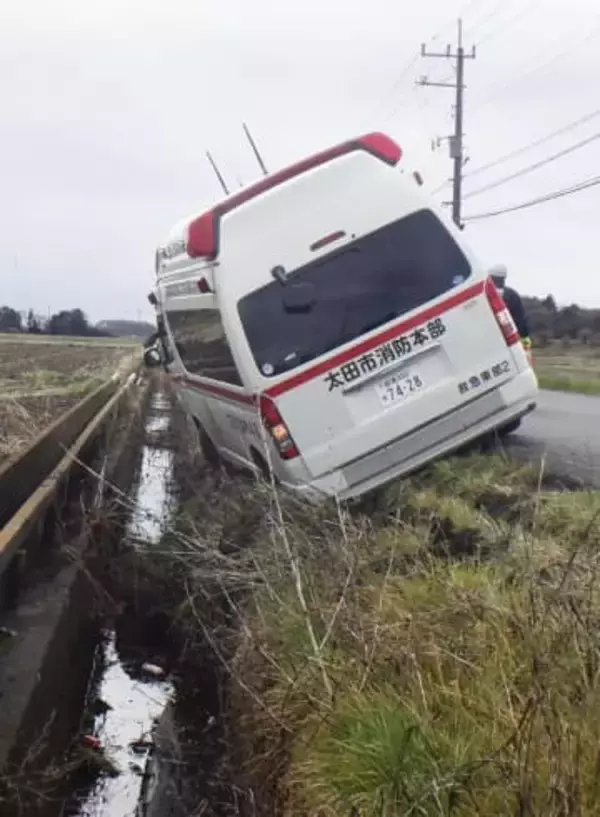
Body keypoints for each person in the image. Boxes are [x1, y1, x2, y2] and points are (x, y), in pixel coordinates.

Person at [489, 264, 533, 363]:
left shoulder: (487, 295)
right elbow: (522, 322)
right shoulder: (513, 294)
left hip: (495, 341)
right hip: (516, 339)